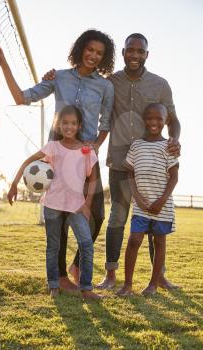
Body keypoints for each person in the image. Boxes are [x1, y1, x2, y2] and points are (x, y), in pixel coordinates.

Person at [0, 29, 115, 291]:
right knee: (59, 217)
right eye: (90, 49)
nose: (93, 56)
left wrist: (94, 146)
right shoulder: (59, 78)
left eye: (99, 53)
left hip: (85, 159)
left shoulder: (105, 86)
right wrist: (3, 63)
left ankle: (76, 264)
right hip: (58, 158)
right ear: (81, 48)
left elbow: (106, 123)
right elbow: (22, 97)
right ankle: (59, 277)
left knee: (96, 213)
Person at [96, 33, 181, 290]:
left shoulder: (160, 85)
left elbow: (173, 119)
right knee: (118, 219)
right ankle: (111, 275)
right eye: (130, 50)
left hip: (154, 164)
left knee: (156, 220)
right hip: (122, 163)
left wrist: (174, 139)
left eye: (140, 51)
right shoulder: (111, 83)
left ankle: (159, 277)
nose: (135, 55)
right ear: (123, 53)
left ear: (146, 54)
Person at [7, 105, 103, 299]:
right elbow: (28, 161)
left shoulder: (86, 152)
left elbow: (93, 180)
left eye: (73, 123)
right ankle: (53, 286)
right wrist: (14, 184)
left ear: (79, 125)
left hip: (76, 206)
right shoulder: (52, 147)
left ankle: (86, 288)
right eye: (65, 123)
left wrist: (87, 203)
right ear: (58, 125)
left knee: (86, 243)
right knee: (53, 246)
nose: (69, 127)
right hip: (52, 204)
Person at [117, 103, 179, 296]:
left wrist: (161, 201)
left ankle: (153, 284)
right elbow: (130, 174)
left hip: (162, 206)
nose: (154, 122)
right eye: (150, 118)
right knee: (134, 241)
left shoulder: (168, 146)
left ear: (165, 121)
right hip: (141, 205)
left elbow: (174, 176)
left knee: (159, 243)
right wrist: (137, 198)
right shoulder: (136, 145)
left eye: (158, 119)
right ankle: (127, 285)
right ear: (144, 121)